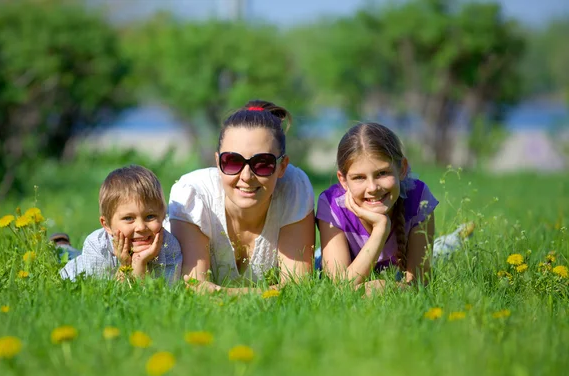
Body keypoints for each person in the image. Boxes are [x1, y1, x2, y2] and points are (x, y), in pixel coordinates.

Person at [167, 100, 315, 293]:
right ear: (218, 163)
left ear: (282, 167)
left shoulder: (294, 188)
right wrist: (268, 293)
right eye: (233, 162)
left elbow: (298, 287)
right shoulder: (193, 195)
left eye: (263, 163)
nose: (246, 176)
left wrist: (220, 293)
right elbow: (194, 288)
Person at [316, 122, 469, 295]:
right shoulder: (331, 204)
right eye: (359, 177)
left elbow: (420, 284)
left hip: (396, 264)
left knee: (440, 253)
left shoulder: (418, 197)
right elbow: (340, 287)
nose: (372, 188)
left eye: (382, 173)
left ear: (402, 169)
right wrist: (380, 229)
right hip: (339, 260)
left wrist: (386, 287)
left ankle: (456, 240)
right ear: (343, 180)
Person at [59, 165, 182, 283]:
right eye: (129, 218)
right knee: (64, 256)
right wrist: (125, 265)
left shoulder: (169, 247)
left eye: (150, 216)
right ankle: (62, 248)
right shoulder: (97, 246)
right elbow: (108, 295)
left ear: (162, 216)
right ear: (107, 225)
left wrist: (139, 263)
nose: (141, 227)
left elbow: (157, 295)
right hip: (79, 268)